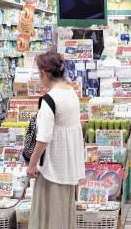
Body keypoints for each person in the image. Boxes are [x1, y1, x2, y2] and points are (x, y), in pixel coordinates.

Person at [27, 51, 85, 229]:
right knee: (63, 215)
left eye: (38, 73)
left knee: (48, 216)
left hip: (51, 168)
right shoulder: (71, 93)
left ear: (44, 73)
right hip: (68, 166)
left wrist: (32, 164)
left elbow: (43, 138)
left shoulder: (49, 99)